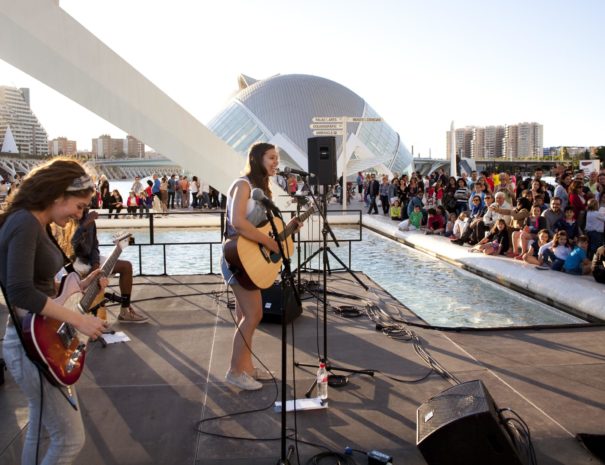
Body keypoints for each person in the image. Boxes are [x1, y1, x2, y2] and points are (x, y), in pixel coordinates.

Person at [0, 158, 108, 465]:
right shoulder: (24, 223)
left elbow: (45, 286)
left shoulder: (36, 223)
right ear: (58, 194)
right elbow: (20, 290)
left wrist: (85, 282)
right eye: (78, 205)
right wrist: (80, 320)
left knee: (38, 429)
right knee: (70, 439)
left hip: (38, 340)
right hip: (29, 346)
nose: (80, 214)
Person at [221, 142, 300, 391]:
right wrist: (269, 241)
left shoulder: (261, 189)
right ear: (257, 159)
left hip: (248, 258)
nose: (276, 162)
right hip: (236, 259)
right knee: (254, 315)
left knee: (246, 316)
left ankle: (246, 367)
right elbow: (237, 222)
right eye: (271, 157)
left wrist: (286, 232)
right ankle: (235, 371)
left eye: (277, 158)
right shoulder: (242, 185)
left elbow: (263, 233)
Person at [72, 209, 149, 324]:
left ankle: (125, 311)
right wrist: (85, 224)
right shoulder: (66, 218)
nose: (86, 206)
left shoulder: (89, 219)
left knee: (126, 266)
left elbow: (94, 245)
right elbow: (70, 244)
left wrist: (96, 263)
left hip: (89, 259)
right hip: (73, 260)